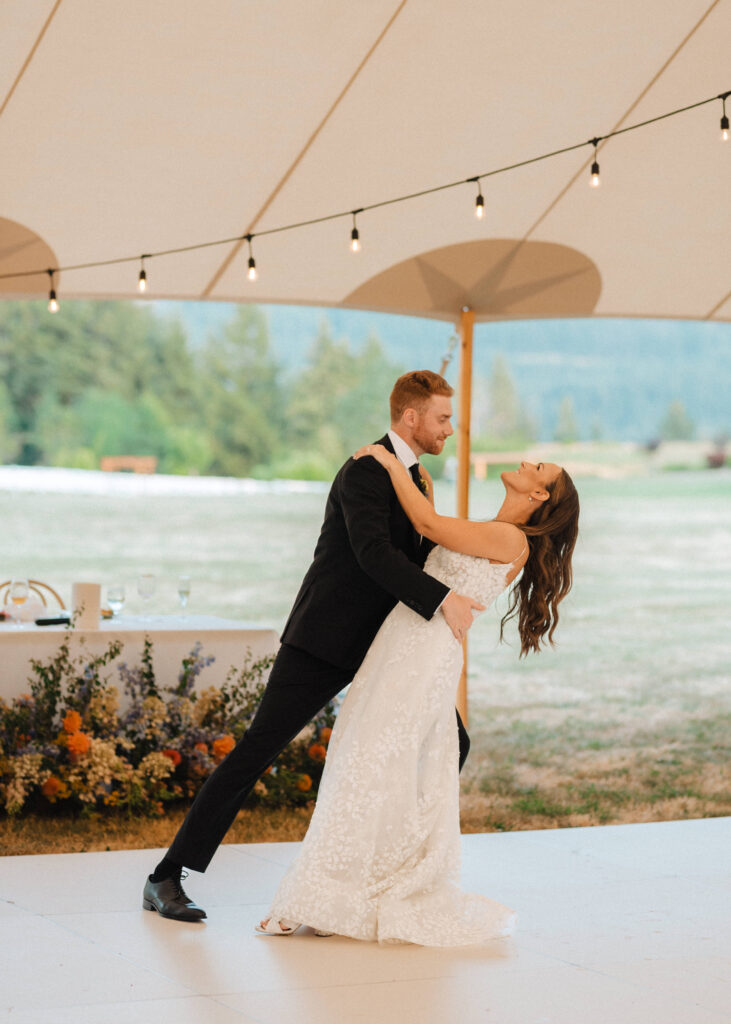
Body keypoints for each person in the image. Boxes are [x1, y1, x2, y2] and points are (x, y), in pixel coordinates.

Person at [143, 370, 485, 922]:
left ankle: (393, 872)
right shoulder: (365, 470)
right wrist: (443, 598)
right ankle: (165, 877)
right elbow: (374, 555)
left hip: (388, 646)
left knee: (451, 741)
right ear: (411, 417)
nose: (452, 428)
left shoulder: (414, 478)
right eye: (444, 418)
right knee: (257, 752)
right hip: (326, 638)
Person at [257, 445, 579, 945]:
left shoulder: (508, 537)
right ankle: (334, 896)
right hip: (400, 643)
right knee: (365, 758)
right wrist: (418, 484)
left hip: (422, 654)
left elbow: (428, 525)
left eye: (538, 469)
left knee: (371, 761)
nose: (526, 462)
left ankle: (322, 896)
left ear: (539, 494)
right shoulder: (492, 528)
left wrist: (390, 463)